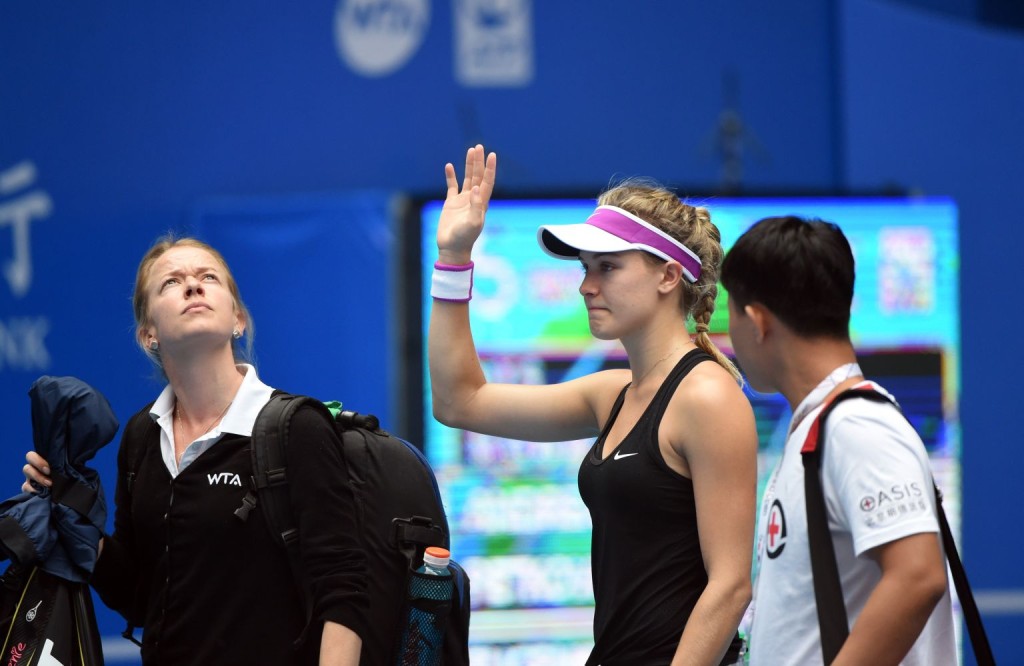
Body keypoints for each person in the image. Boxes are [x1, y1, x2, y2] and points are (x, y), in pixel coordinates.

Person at [429, 145, 758, 665]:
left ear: (668, 276)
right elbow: (459, 402)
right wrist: (453, 258)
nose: (586, 285)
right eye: (586, 267)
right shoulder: (611, 395)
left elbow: (731, 586)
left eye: (607, 267)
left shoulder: (707, 396)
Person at [22, 236, 367, 665]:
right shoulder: (141, 436)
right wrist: (74, 519)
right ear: (148, 333)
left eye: (208, 278)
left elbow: (344, 588)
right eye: (171, 282)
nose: (193, 286)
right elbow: (139, 597)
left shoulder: (296, 427)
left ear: (238, 318)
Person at [720, 216, 956, 665]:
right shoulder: (820, 429)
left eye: (729, 313)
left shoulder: (857, 429)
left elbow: (918, 575)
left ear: (757, 320)